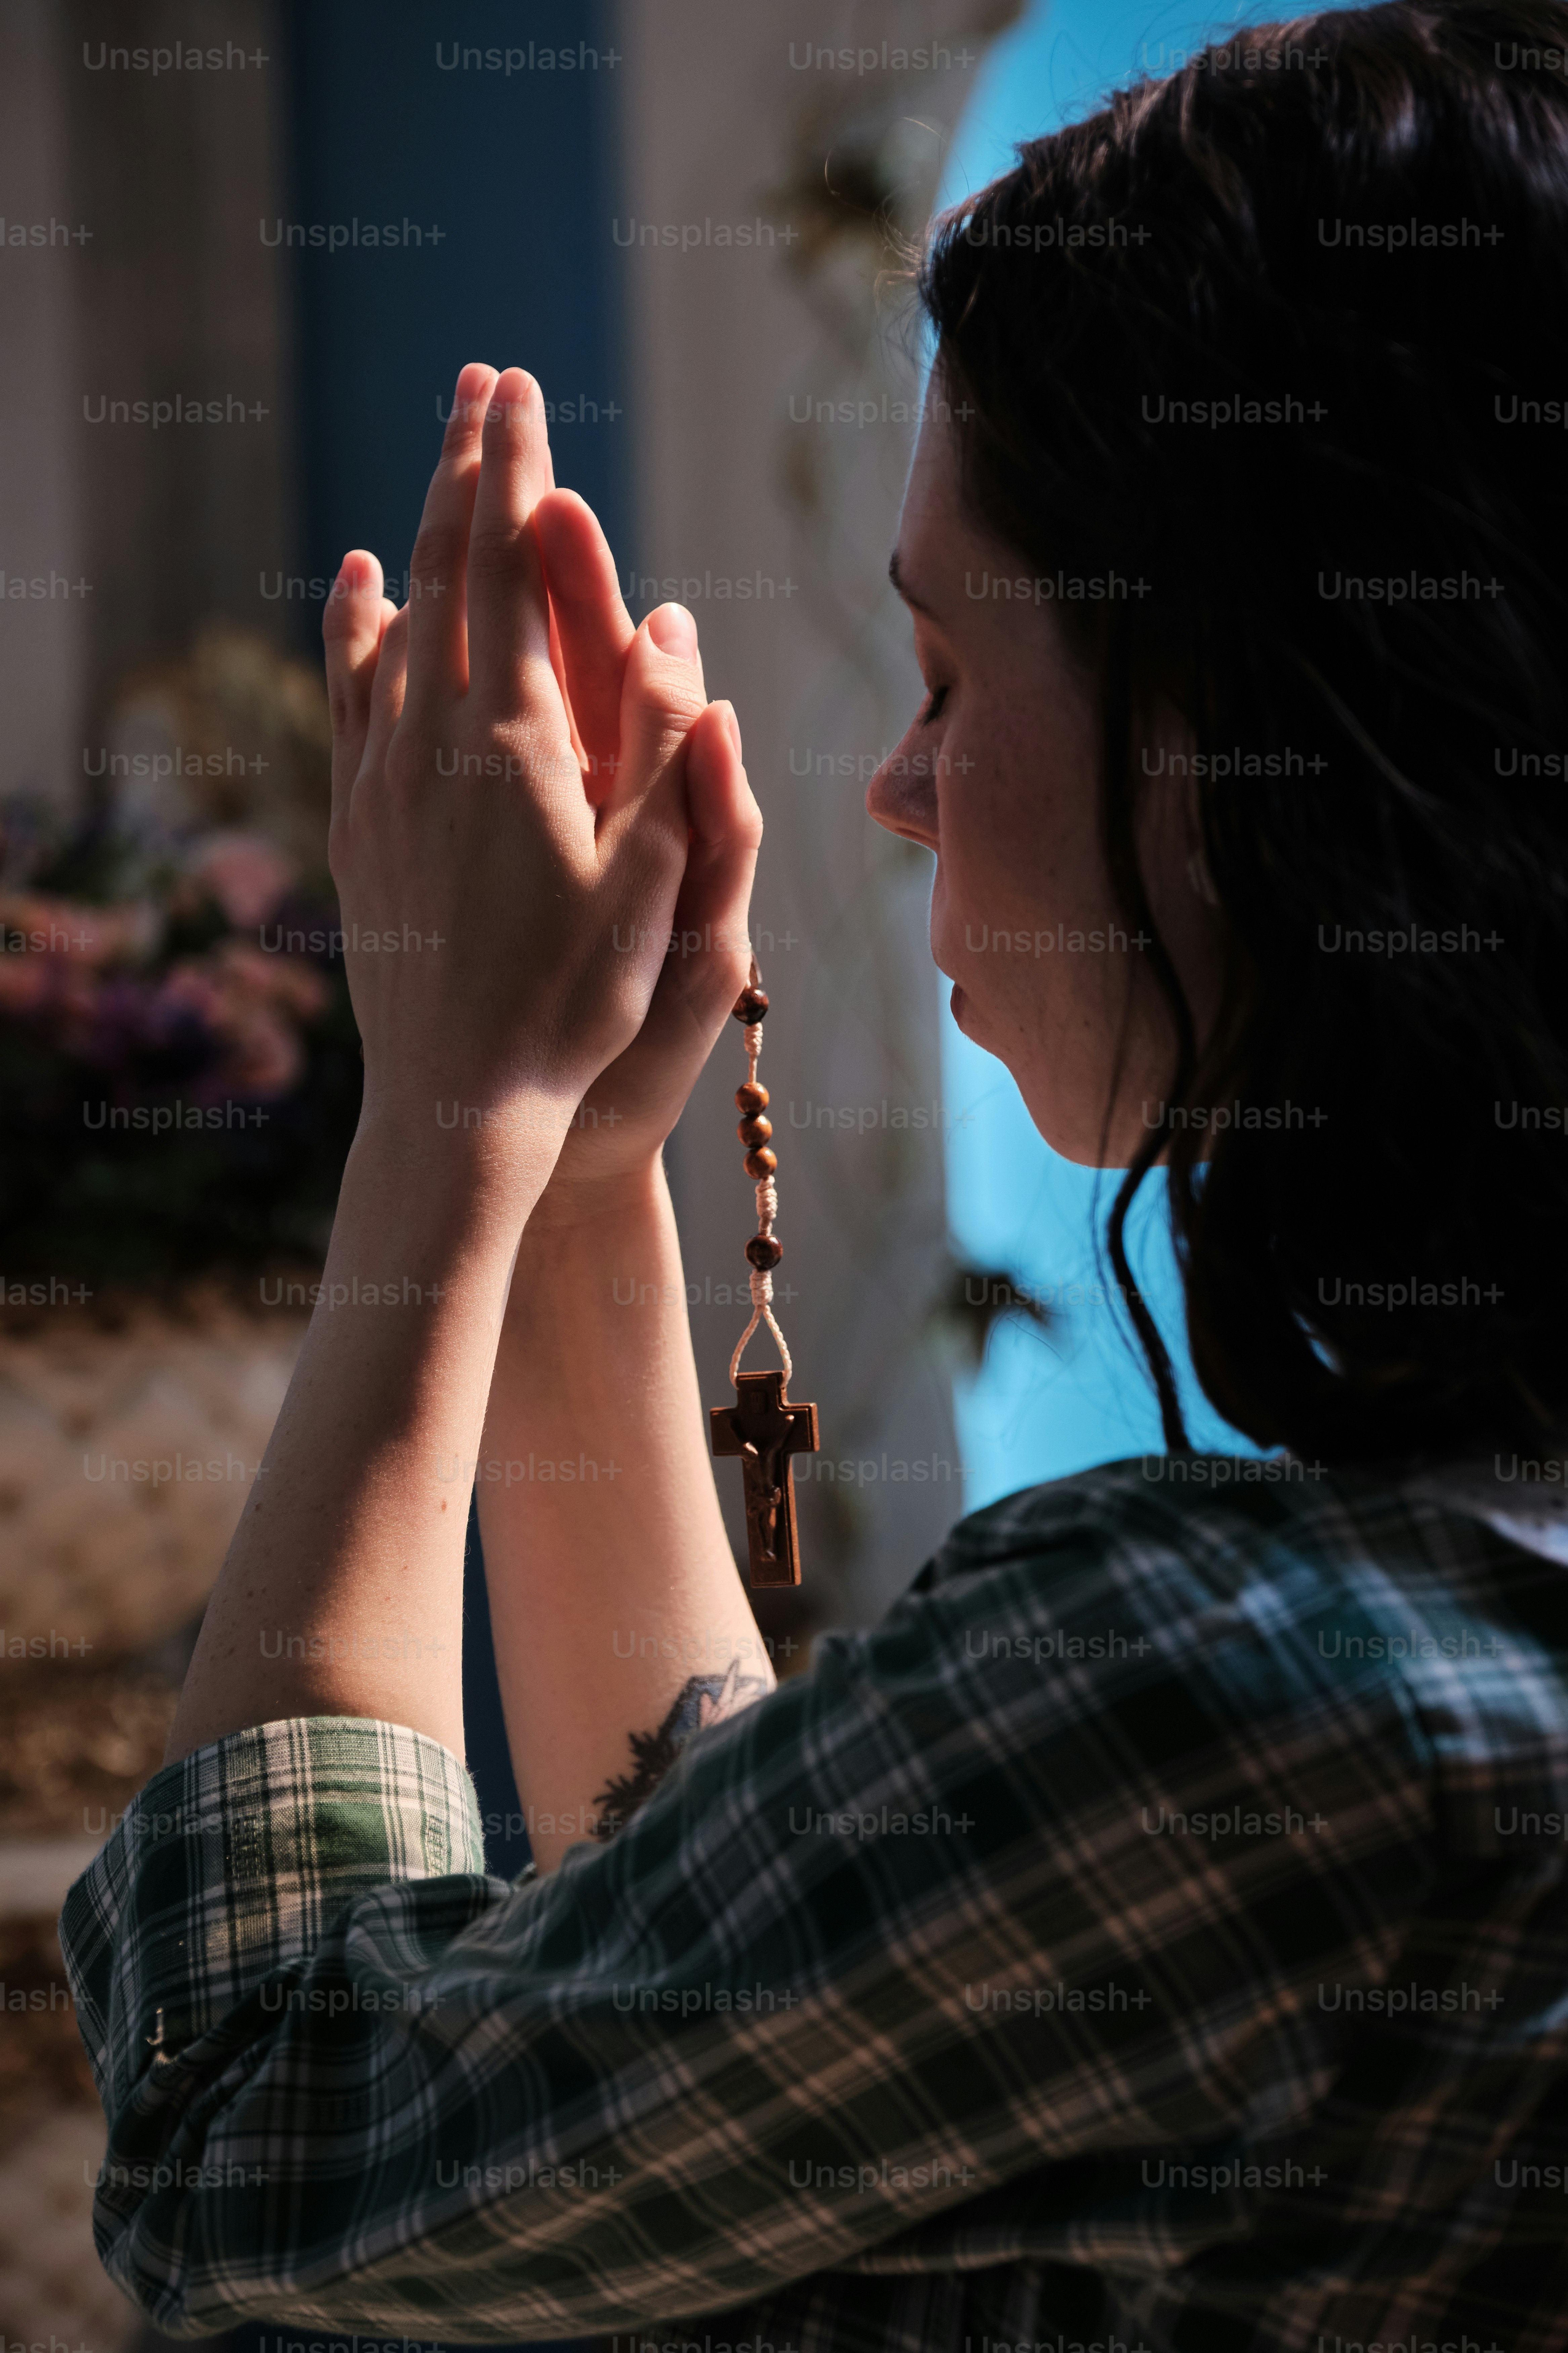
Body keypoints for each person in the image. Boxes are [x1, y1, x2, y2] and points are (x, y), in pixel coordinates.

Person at [61, 6, 1568, 2347]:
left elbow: (258, 2147)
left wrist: (440, 1122)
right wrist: (577, 1183)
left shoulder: (1259, 1694)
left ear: (1238, 748)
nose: (896, 786)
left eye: (956, 680)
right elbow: (766, 2000)